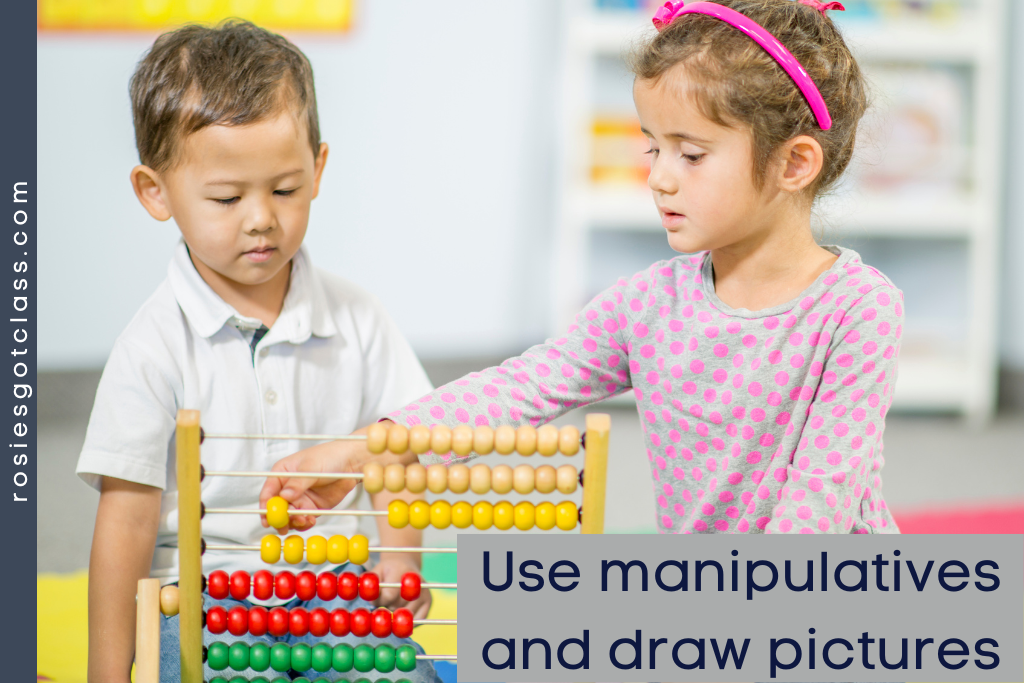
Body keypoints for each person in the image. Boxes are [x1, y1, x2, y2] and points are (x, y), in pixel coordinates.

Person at [261, 0, 902, 538]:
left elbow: (820, 497)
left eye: (692, 155)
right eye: (654, 148)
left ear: (794, 165)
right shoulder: (647, 307)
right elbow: (521, 387)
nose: (658, 178)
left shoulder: (857, 309)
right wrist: (365, 447)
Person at [75, 21, 441, 683]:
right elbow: (124, 521)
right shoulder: (153, 344)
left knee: (403, 677)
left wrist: (397, 567)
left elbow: (397, 446)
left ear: (318, 169)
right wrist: (108, 674)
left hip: (337, 590)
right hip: (207, 601)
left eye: (284, 189)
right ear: (155, 192)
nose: (260, 218)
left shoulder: (358, 318)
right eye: (225, 197)